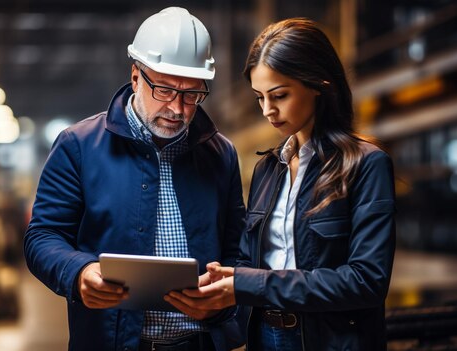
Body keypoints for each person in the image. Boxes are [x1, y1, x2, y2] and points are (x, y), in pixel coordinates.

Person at [166, 18, 396, 350]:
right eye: (259, 98)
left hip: (329, 340)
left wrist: (248, 283)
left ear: (318, 84)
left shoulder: (365, 165)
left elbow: (366, 281)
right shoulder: (268, 168)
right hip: (265, 336)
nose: (267, 111)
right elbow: (250, 259)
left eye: (279, 95)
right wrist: (225, 280)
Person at [24, 7, 246, 351]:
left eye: (192, 95)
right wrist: (79, 272)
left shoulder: (221, 155)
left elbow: (238, 249)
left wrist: (226, 296)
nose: (177, 108)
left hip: (200, 343)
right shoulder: (78, 147)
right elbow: (43, 237)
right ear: (135, 76)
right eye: (165, 90)